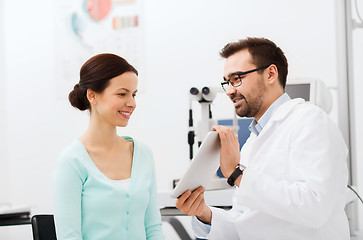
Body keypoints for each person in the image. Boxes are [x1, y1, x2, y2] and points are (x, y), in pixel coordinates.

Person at [175, 37, 350, 240]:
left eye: (237, 78)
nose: (230, 91)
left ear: (270, 74)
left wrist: (237, 175)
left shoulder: (310, 121)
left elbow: (314, 207)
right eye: (227, 82)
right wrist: (204, 214)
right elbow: (244, 224)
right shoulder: (252, 142)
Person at [53, 53, 165, 240]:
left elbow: (153, 228)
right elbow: (69, 236)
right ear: (92, 95)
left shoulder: (143, 154)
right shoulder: (72, 161)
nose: (132, 103)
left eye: (134, 94)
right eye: (122, 94)